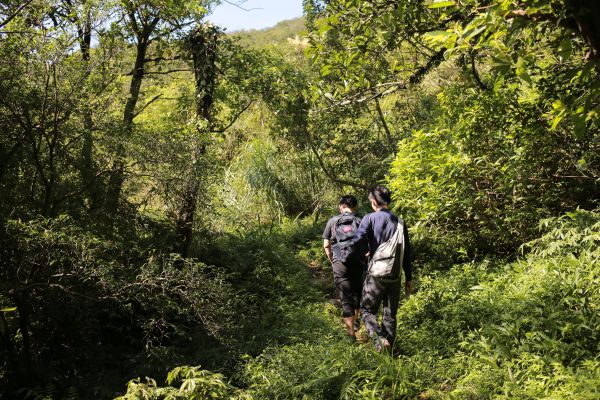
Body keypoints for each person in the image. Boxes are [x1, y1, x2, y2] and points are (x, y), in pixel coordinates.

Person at [349, 185, 412, 352]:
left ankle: (379, 340)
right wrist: (409, 277)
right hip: (395, 275)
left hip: (376, 273)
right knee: (390, 315)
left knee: (367, 310)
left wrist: (363, 256)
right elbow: (407, 252)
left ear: (373, 202)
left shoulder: (369, 218)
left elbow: (356, 242)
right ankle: (389, 354)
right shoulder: (400, 222)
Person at [322, 195, 365, 341]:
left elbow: (326, 245)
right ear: (355, 207)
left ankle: (351, 334)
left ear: (341, 206)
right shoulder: (361, 220)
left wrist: (332, 259)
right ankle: (357, 320)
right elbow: (368, 244)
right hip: (358, 262)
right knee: (357, 293)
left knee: (345, 297)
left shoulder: (333, 221)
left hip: (340, 262)